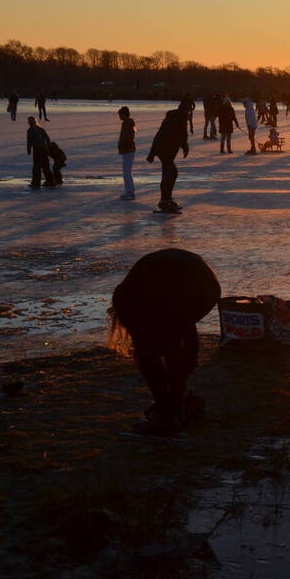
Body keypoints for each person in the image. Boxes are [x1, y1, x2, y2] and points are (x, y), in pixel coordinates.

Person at [108, 248, 221, 435]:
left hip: (196, 284)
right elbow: (187, 330)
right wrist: (189, 363)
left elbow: (147, 359)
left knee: (163, 350)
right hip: (208, 286)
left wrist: (164, 402)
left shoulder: (131, 304)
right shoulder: (142, 298)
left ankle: (170, 413)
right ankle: (176, 405)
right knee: (174, 343)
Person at [146, 102, 190, 212]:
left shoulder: (172, 118)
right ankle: (164, 200)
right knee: (170, 173)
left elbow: (159, 135)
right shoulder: (180, 118)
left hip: (164, 151)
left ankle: (166, 199)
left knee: (169, 173)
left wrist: (152, 153)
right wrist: (185, 148)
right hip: (166, 151)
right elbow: (182, 135)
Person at [26, 116, 56, 188]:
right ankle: (51, 182)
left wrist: (29, 149)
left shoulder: (30, 130)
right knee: (45, 166)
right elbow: (47, 138)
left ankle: (36, 183)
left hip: (37, 150)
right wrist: (47, 147)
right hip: (44, 149)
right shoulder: (41, 129)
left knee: (37, 167)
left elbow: (29, 141)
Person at [118, 106, 136, 199]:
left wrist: (123, 145)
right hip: (128, 150)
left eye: (120, 114)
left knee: (126, 172)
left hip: (128, 150)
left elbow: (128, 137)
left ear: (124, 114)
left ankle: (130, 191)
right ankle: (130, 191)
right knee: (127, 171)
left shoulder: (127, 124)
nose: (119, 117)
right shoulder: (128, 123)